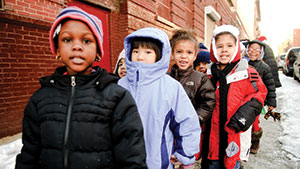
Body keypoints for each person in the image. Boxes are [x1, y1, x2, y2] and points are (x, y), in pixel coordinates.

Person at [15, 7, 147, 169]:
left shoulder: (117, 98)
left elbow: (132, 158)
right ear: (56, 49)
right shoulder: (40, 99)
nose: (77, 46)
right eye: (67, 40)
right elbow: (29, 156)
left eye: (86, 41)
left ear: (98, 52)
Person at [118, 27, 201, 169]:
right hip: (124, 161)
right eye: (135, 51)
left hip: (158, 162)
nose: (140, 56)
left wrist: (185, 156)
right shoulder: (121, 84)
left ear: (160, 55)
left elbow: (187, 124)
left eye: (148, 52)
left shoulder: (171, 87)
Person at [201, 25, 267, 169]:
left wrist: (242, 118)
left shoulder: (247, 72)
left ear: (237, 47)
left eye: (229, 46)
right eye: (219, 46)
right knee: (212, 163)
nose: (224, 50)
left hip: (233, 133)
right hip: (211, 137)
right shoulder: (207, 74)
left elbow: (260, 94)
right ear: (213, 48)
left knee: (231, 163)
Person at [168, 30, 215, 164]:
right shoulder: (165, 77)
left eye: (189, 53)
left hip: (189, 131)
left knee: (187, 161)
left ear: (195, 56)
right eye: (179, 52)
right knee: (170, 160)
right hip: (169, 130)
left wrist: (194, 120)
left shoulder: (201, 79)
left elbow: (208, 103)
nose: (184, 56)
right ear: (172, 53)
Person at [246, 40, 277, 154]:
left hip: (258, 100)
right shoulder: (243, 64)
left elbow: (270, 86)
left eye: (257, 50)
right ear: (247, 50)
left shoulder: (264, 67)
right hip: (243, 99)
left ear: (261, 52)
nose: (253, 52)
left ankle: (255, 140)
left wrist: (271, 103)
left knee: (254, 122)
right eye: (251, 49)